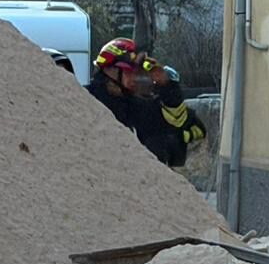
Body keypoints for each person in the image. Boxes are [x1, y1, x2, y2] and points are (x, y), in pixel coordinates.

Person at [85, 37, 206, 167]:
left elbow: (180, 122)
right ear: (111, 70)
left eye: (137, 71)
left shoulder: (139, 108)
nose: (136, 77)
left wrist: (167, 86)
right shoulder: (84, 100)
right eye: (130, 71)